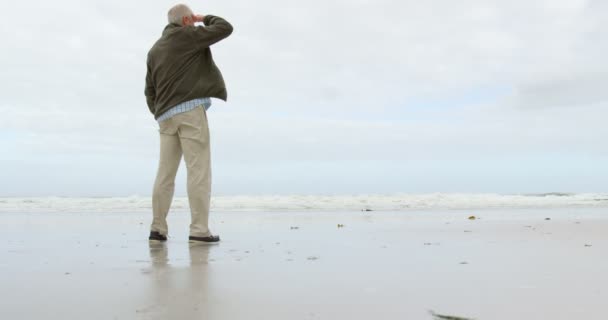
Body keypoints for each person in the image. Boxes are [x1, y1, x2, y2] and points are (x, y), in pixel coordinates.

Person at [144, 4, 233, 243]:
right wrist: (204, 17)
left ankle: (157, 229)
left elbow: (149, 91)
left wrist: (159, 112)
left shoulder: (154, 50)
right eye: (191, 19)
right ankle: (199, 230)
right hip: (189, 112)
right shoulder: (187, 35)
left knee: (165, 174)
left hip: (166, 118)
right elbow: (225, 27)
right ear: (185, 21)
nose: (194, 24)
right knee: (198, 171)